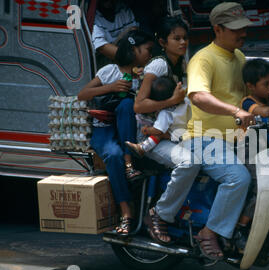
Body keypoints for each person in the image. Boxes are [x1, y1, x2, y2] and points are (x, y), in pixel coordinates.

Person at [182, 2, 254, 260]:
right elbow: (199, 97)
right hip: (204, 137)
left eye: (244, 28)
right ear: (217, 29)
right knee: (239, 178)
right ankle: (209, 232)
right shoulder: (203, 59)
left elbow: (246, 99)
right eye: (236, 30)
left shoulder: (239, 58)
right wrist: (236, 112)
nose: (242, 34)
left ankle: (242, 231)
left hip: (238, 138)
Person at [78, 30, 154, 236]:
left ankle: (129, 163)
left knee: (127, 105)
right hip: (104, 128)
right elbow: (82, 94)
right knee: (112, 155)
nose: (150, 53)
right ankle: (126, 212)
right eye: (146, 49)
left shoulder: (145, 75)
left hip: (130, 129)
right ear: (133, 50)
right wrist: (110, 87)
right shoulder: (109, 70)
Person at [133, 17, 201, 245]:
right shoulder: (158, 65)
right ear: (163, 41)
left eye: (185, 38)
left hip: (173, 131)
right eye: (176, 38)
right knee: (189, 162)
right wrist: (171, 100)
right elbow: (139, 105)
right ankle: (159, 214)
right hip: (150, 134)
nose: (183, 42)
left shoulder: (181, 62)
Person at [235, 58, 269, 245]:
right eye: (266, 84)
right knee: (260, 185)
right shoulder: (247, 102)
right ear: (250, 86)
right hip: (247, 150)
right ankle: (241, 226)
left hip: (265, 150)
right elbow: (262, 112)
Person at [125, 76, 191, 156]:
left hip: (175, 137)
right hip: (189, 133)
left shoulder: (165, 113)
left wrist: (147, 130)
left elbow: (158, 130)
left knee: (158, 135)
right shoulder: (186, 101)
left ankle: (142, 148)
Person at [92, 0, 139, 66]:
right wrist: (132, 59)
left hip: (126, 53)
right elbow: (103, 48)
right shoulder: (93, 16)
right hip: (105, 59)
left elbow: (134, 32)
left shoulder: (123, 8)